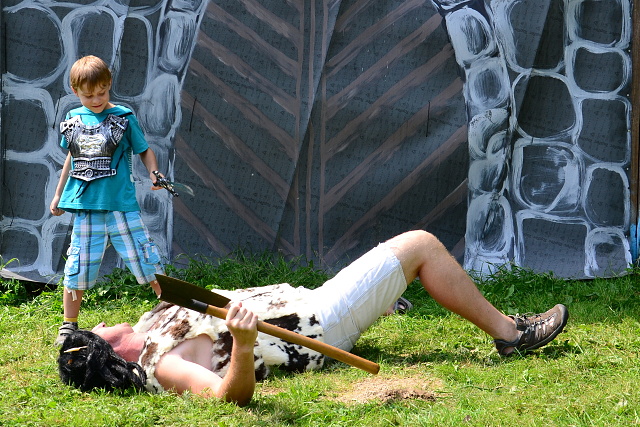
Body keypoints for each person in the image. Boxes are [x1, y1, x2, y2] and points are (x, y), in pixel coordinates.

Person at [58, 230, 569, 406]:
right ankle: (510, 334)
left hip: (309, 300)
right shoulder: (162, 366)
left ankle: (384, 299)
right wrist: (242, 342)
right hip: (321, 323)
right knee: (421, 245)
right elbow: (227, 397)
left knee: (396, 266)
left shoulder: (147, 327)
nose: (98, 323)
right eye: (93, 330)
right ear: (104, 346)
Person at [50, 55, 166, 346]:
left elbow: (144, 149)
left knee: (146, 258)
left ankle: (171, 310)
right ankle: (69, 324)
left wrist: (154, 173)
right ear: (75, 91)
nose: (96, 100)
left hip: (120, 207)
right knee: (78, 265)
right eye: (88, 95)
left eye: (101, 92)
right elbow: (72, 158)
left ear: (109, 84)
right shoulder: (74, 119)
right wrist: (58, 194)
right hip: (86, 208)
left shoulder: (123, 117)